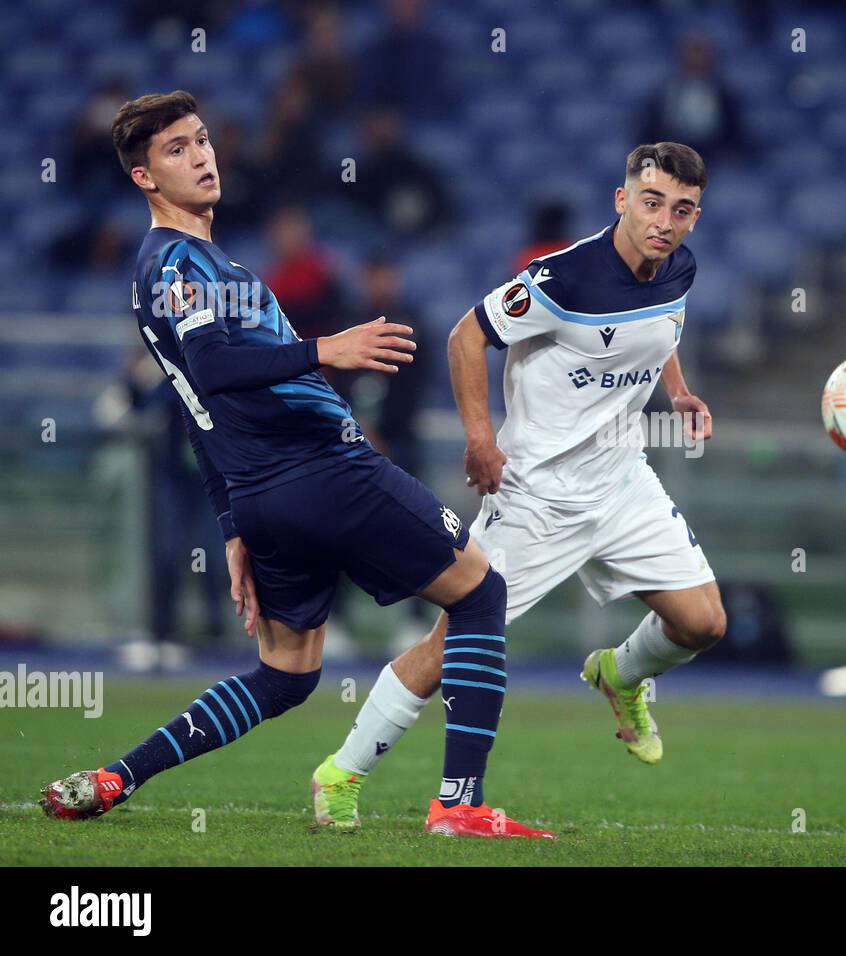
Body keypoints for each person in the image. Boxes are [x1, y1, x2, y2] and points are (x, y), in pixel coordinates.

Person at [39, 90, 552, 840]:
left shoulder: (189, 262)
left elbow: (192, 404)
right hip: (322, 468)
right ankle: (460, 805)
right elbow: (212, 369)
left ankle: (120, 774)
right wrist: (326, 349)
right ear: (144, 179)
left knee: (286, 675)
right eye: (176, 150)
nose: (201, 155)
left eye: (202, 139)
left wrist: (231, 523)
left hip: (261, 496)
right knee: (479, 595)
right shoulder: (177, 260)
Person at [309, 143, 726, 826]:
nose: (664, 221)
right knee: (451, 645)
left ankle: (619, 674)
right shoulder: (563, 278)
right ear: (622, 201)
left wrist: (677, 393)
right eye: (651, 203)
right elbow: (465, 337)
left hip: (622, 482)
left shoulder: (679, 266)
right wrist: (480, 438)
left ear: (694, 217)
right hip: (536, 494)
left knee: (703, 622)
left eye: (681, 210)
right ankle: (340, 773)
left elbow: (660, 327)